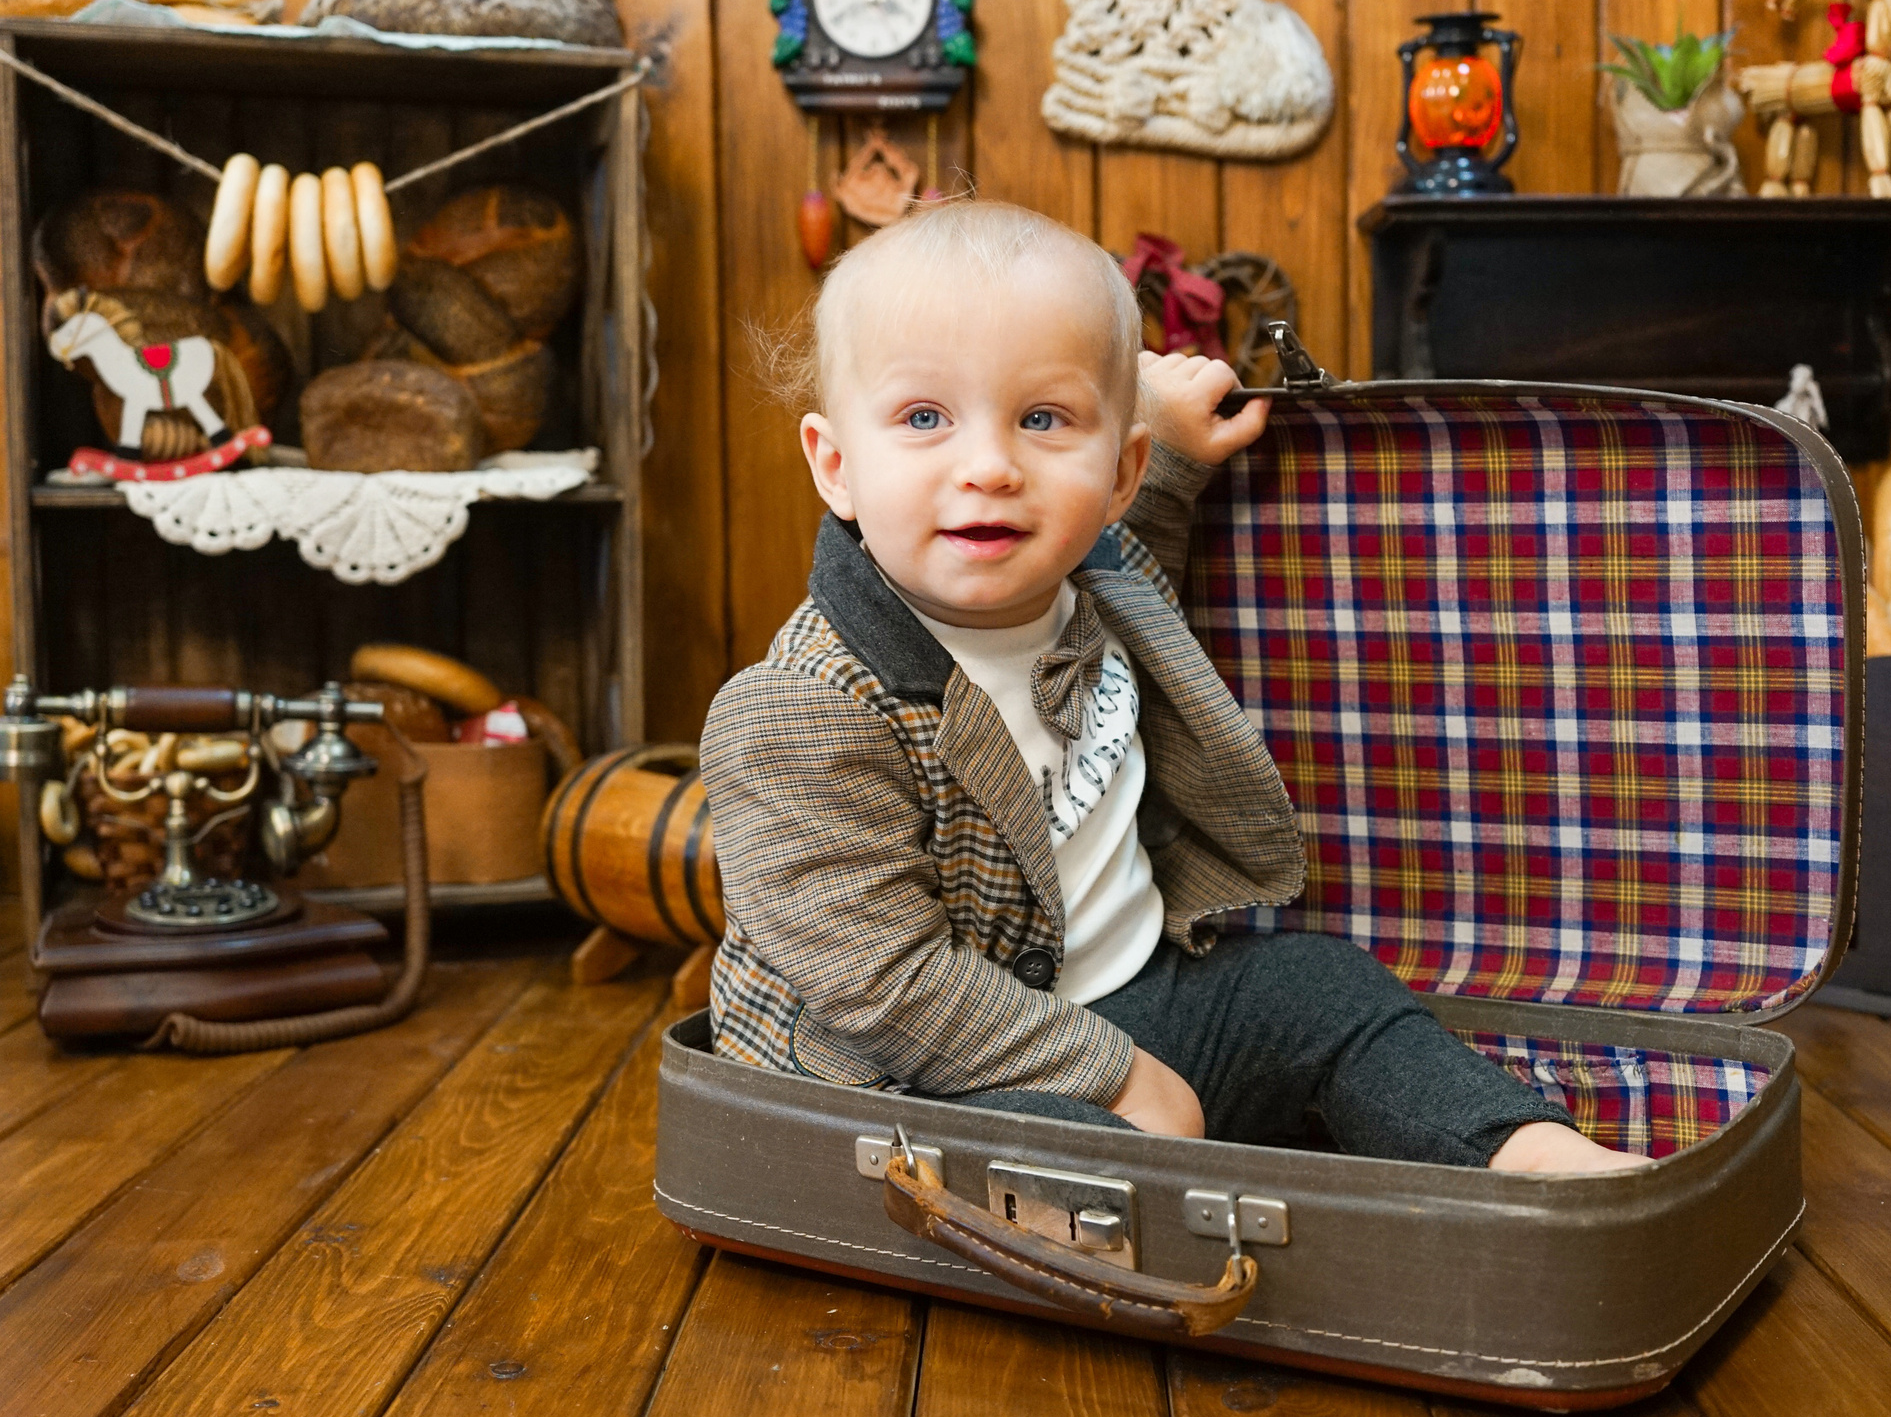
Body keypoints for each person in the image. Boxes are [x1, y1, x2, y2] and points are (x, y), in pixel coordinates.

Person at [700, 200, 1649, 1176]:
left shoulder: (1100, 594)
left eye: (1042, 419)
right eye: (924, 418)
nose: (987, 468)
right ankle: (1209, 1246)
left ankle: (1528, 1155)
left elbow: (1137, 544)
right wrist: (1113, 1078)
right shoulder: (797, 712)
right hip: (916, 1072)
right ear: (836, 464)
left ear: (1118, 472)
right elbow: (884, 984)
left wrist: (1180, 458)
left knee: (1318, 985)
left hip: (1139, 997)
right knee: (1055, 1156)